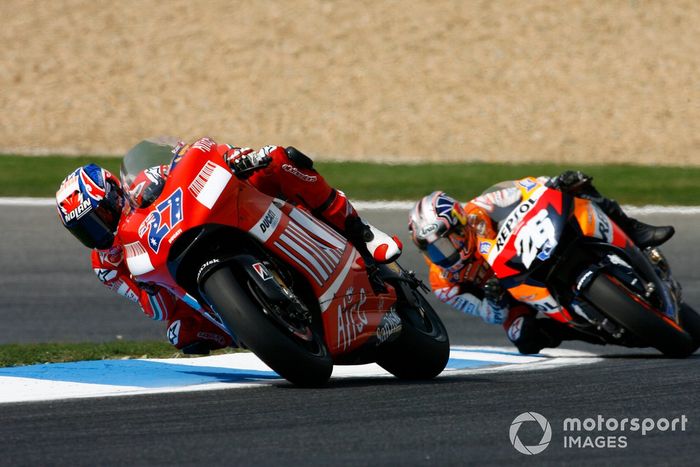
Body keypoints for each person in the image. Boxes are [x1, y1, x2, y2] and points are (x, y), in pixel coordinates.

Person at [55, 137, 402, 354]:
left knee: (281, 159)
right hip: (176, 271)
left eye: (97, 217)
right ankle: (254, 324)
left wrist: (238, 157)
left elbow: (190, 158)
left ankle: (361, 231)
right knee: (182, 335)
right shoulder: (106, 263)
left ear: (114, 192)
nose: (97, 231)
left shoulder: (144, 180)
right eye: (85, 230)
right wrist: (142, 283)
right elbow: (156, 308)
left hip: (207, 214)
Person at [407, 170, 674, 354]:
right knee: (523, 338)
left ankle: (636, 231)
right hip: (510, 295)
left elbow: (526, 188)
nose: (442, 256)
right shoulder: (442, 282)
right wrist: (496, 300)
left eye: (444, 244)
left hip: (530, 248)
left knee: (577, 188)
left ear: (460, 224)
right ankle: (591, 329)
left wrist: (555, 182)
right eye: (432, 251)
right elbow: (487, 315)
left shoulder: (480, 209)